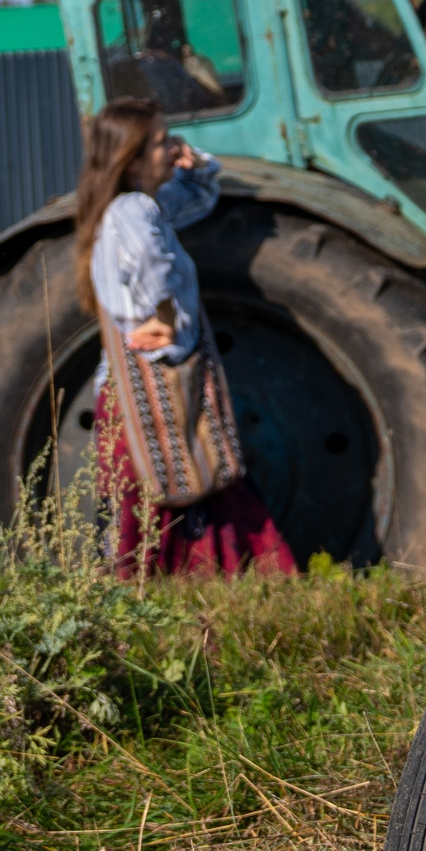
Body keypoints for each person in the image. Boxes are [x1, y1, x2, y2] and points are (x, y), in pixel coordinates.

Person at [73, 97, 296, 579]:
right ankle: (213, 581)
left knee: (175, 483)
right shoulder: (132, 209)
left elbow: (196, 197)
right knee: (174, 481)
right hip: (155, 384)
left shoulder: (137, 206)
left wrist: (191, 163)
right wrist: (166, 319)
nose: (170, 150)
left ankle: (176, 591)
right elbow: (157, 266)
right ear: (129, 159)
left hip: (145, 381)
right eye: (159, 143)